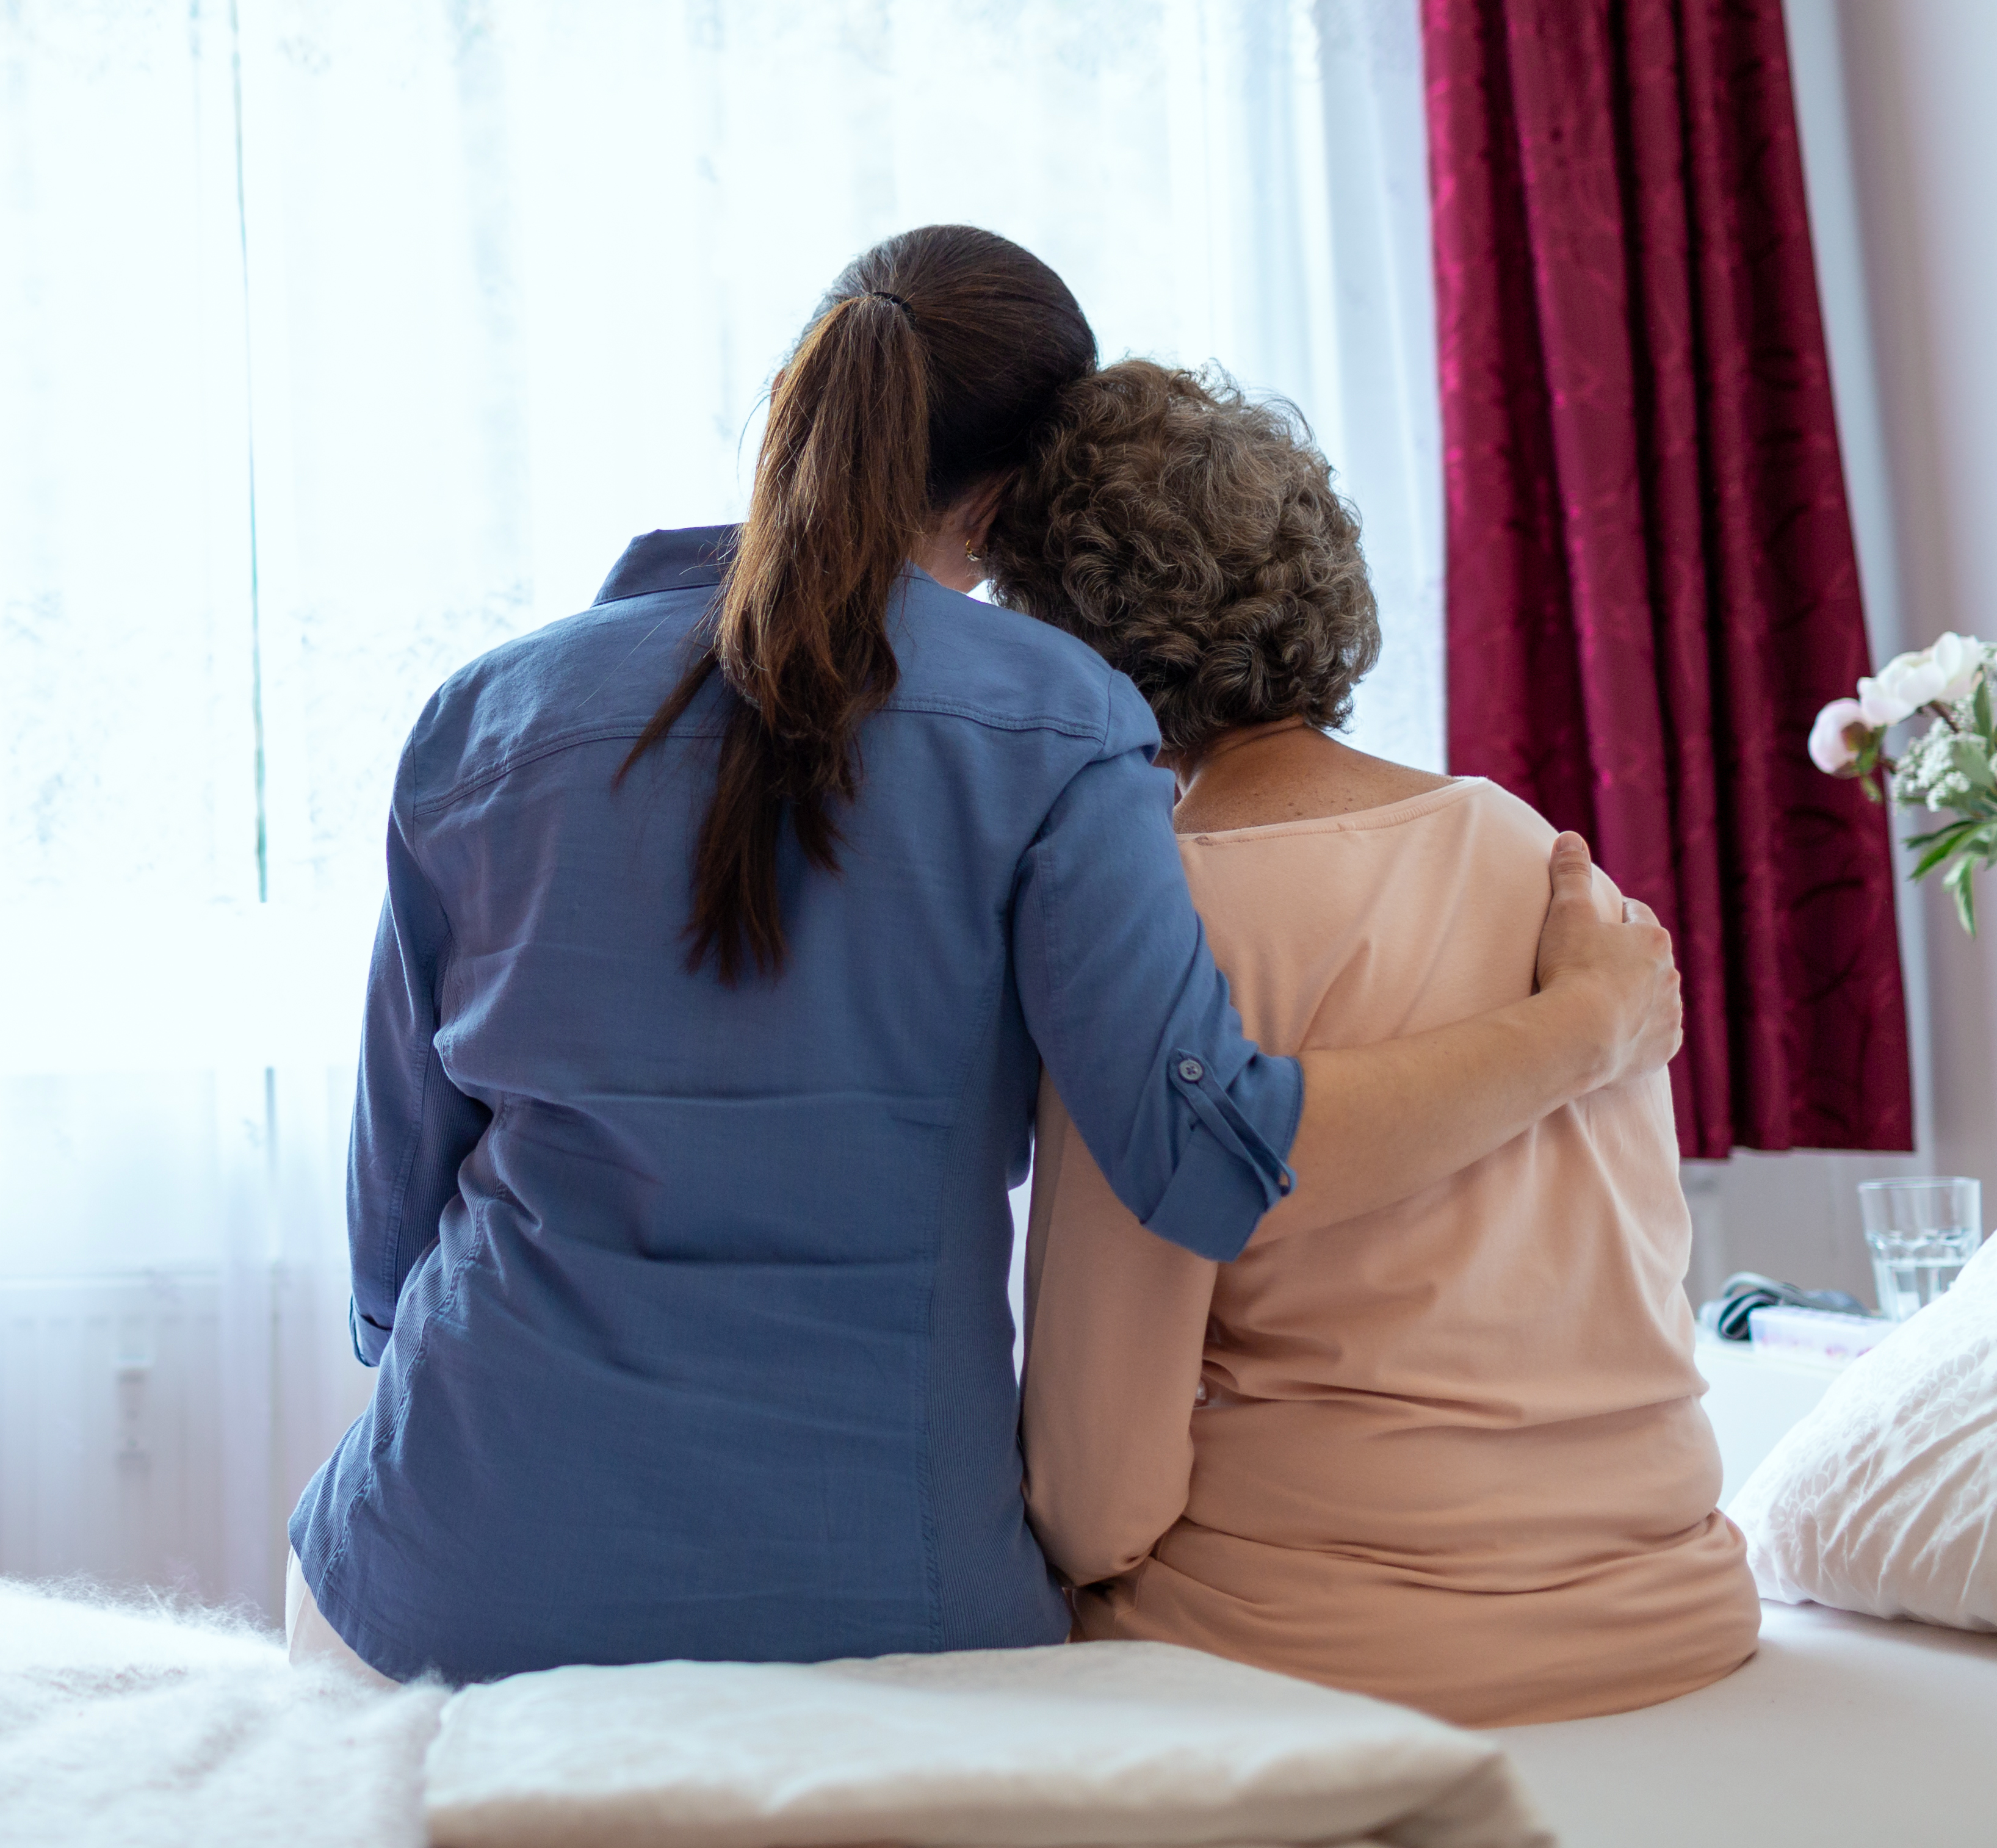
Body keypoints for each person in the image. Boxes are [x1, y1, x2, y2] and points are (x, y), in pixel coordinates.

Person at [284, 230, 1683, 1686]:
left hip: (441, 1576)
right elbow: (1206, 1159)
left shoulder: (485, 715)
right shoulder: (1067, 725)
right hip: (884, 1609)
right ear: (1012, 505)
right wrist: (1584, 1023)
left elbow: (393, 1230)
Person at [990, 360, 1757, 1728]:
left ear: (1065, 645)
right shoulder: (1543, 854)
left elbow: (1098, 1497)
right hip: (1673, 1603)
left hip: (1334, 1642)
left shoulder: (1148, 927)